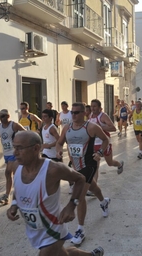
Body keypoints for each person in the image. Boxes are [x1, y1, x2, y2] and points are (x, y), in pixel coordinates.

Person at [7, 131, 104, 256]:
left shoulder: (52, 169)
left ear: (36, 148)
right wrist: (14, 203)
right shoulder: (16, 166)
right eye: (14, 147)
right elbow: (18, 187)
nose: (15, 152)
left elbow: (80, 179)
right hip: (34, 229)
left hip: (53, 229)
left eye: (19, 148)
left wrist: (71, 205)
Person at [56, 102, 111, 246]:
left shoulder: (91, 127)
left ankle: (80, 230)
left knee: (80, 196)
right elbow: (59, 142)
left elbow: (106, 139)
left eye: (76, 112)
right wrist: (59, 150)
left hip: (89, 165)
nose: (73, 115)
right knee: (93, 187)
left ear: (83, 113)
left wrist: (99, 152)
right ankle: (103, 202)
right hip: (75, 166)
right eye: (72, 113)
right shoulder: (66, 128)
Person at [0, 109, 26, 204]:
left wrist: (19, 143)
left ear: (8, 116)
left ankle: (10, 195)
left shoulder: (14, 125)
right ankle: (10, 196)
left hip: (14, 153)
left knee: (8, 172)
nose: (0, 118)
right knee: (12, 175)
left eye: (2, 116)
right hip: (6, 153)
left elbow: (26, 133)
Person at [89, 99, 124, 174]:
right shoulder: (90, 116)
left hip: (104, 143)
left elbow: (113, 128)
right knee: (95, 167)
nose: (92, 108)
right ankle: (93, 184)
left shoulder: (103, 116)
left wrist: (99, 127)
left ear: (99, 107)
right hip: (94, 144)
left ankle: (119, 164)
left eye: (94, 106)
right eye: (91, 106)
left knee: (110, 163)